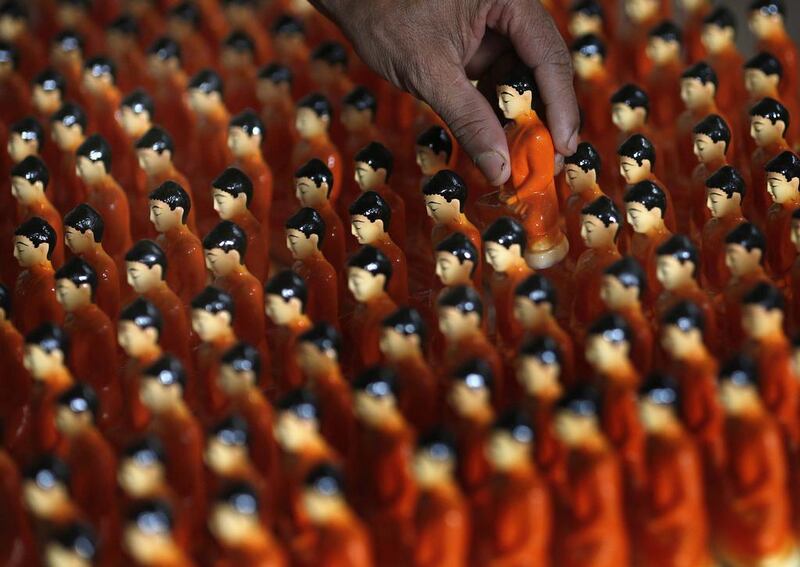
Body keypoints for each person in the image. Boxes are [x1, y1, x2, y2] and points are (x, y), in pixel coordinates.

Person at [315, 0, 578, 188]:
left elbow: (539, 180)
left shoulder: (537, 137)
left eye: (506, 98)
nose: (499, 102)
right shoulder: (513, 131)